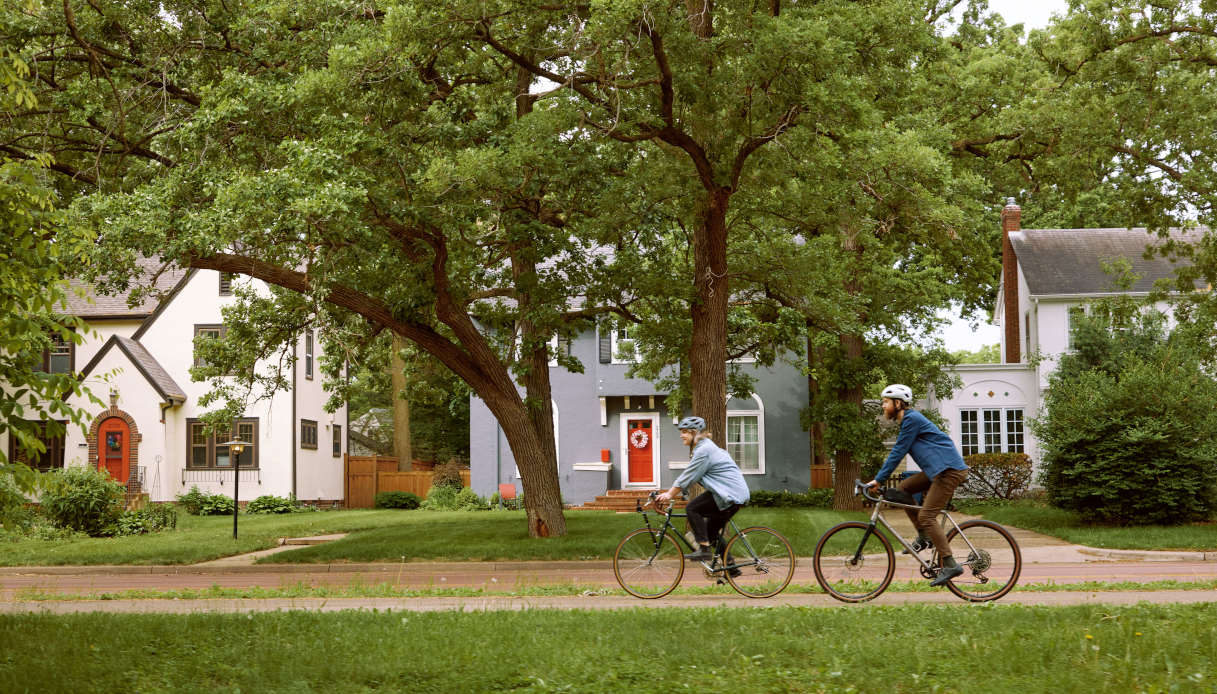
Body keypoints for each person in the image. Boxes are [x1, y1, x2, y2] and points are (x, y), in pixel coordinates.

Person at [864, 384, 970, 586]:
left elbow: (898, 451)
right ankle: (924, 537)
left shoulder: (911, 420)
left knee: (927, 515)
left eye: (886, 402)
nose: (883, 406)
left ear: (898, 403)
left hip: (949, 471)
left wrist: (879, 479)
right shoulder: (908, 421)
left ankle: (950, 563)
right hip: (937, 471)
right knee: (903, 488)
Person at [655, 416, 750, 565]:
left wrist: (669, 494)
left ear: (694, 433)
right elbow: (696, 476)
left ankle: (704, 550)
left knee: (692, 508)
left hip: (729, 494)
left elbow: (688, 476)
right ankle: (731, 567)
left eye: (685, 432)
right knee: (710, 532)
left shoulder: (704, 450)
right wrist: (681, 491)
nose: (681, 435)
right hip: (729, 493)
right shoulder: (704, 448)